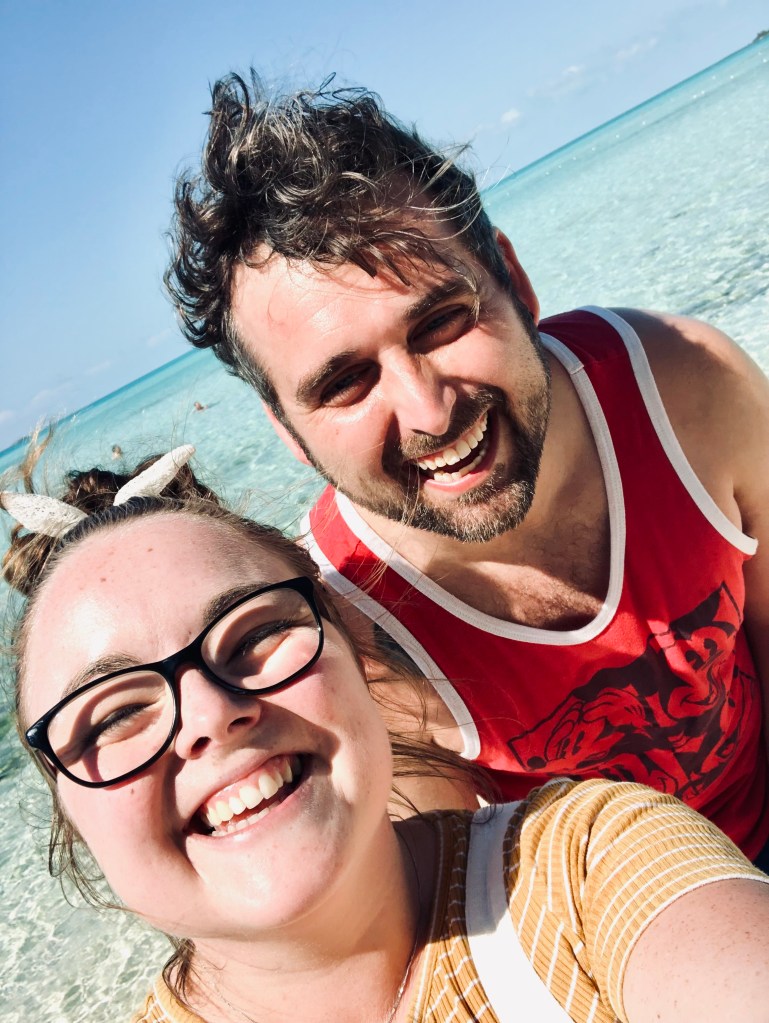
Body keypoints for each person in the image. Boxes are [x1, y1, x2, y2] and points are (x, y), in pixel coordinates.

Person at [164, 73, 769, 863]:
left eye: (443, 321)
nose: (427, 411)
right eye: (345, 382)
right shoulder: (354, 629)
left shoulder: (683, 387)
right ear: (288, 430)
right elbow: (462, 888)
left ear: (514, 282)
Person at [2, 447, 769, 1023]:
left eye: (254, 633)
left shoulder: (586, 865)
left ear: (356, 650)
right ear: (69, 814)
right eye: (113, 713)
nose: (208, 714)